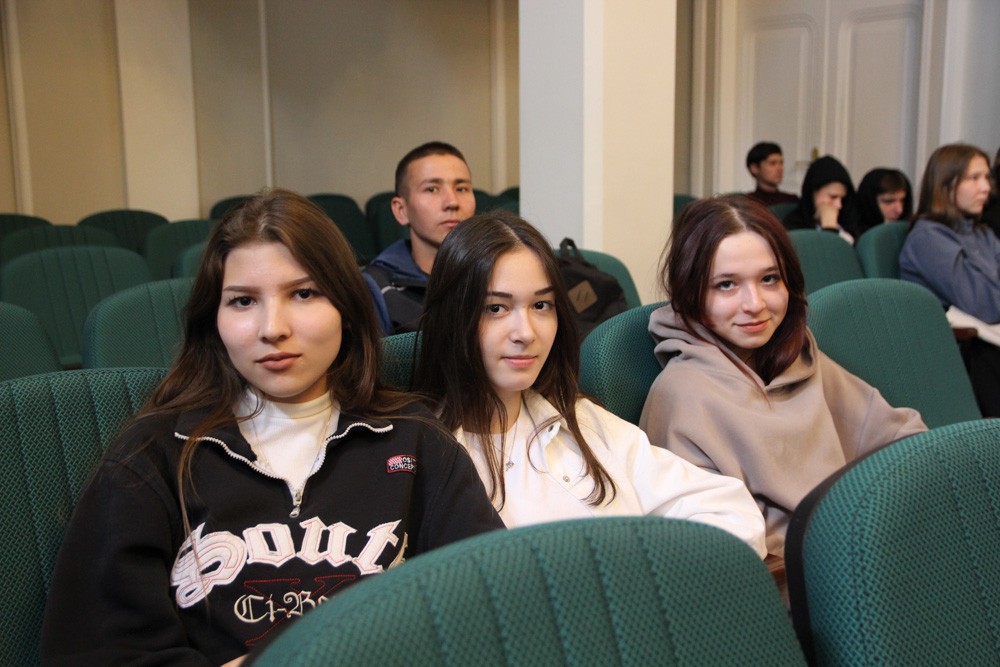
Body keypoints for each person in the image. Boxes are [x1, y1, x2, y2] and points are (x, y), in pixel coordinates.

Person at [40, 189, 503, 665]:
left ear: (346, 308)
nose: (272, 328)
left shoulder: (416, 440)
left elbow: (493, 608)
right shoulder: (153, 455)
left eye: (303, 294)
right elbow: (96, 651)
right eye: (243, 301)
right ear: (214, 320)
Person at [413, 209, 768, 558]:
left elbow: (733, 513)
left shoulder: (580, 419)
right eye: (496, 308)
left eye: (541, 305)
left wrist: (648, 576)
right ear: (452, 318)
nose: (526, 333)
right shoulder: (427, 458)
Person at [640, 195, 926, 559]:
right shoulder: (681, 396)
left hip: (869, 548)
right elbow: (716, 548)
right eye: (726, 285)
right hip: (798, 578)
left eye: (769, 279)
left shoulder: (799, 358)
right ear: (690, 292)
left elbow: (905, 438)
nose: (755, 304)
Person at [899, 143, 1000, 416]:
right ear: (946, 185)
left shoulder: (982, 233)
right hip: (957, 354)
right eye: (974, 178)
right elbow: (984, 304)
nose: (986, 187)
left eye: (986, 177)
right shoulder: (928, 238)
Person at [363, 141, 476, 334]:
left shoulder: (496, 274)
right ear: (401, 210)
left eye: (461, 188)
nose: (452, 202)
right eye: (432, 189)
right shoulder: (376, 288)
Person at [782, 155, 859, 243]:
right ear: (813, 194)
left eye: (842, 199)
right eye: (833, 197)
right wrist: (829, 229)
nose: (839, 205)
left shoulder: (846, 225)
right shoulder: (793, 228)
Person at [855, 167, 913, 237]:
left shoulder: (911, 233)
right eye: (888, 201)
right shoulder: (851, 238)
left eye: (903, 201)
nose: (899, 210)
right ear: (870, 203)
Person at [744, 142, 799, 208]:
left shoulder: (792, 201)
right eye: (772, 163)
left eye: (781, 163)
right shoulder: (748, 203)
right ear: (754, 168)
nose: (780, 168)